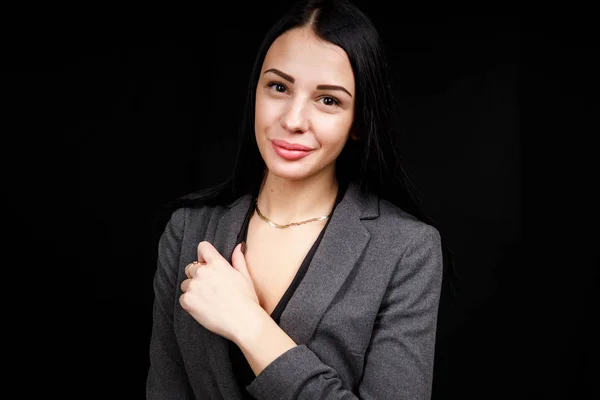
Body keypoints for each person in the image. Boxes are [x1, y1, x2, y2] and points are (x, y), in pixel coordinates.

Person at [147, 0, 452, 398]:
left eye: (328, 100)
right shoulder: (188, 230)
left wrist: (248, 323)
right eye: (279, 87)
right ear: (255, 92)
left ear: (358, 120)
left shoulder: (407, 250)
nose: (292, 120)